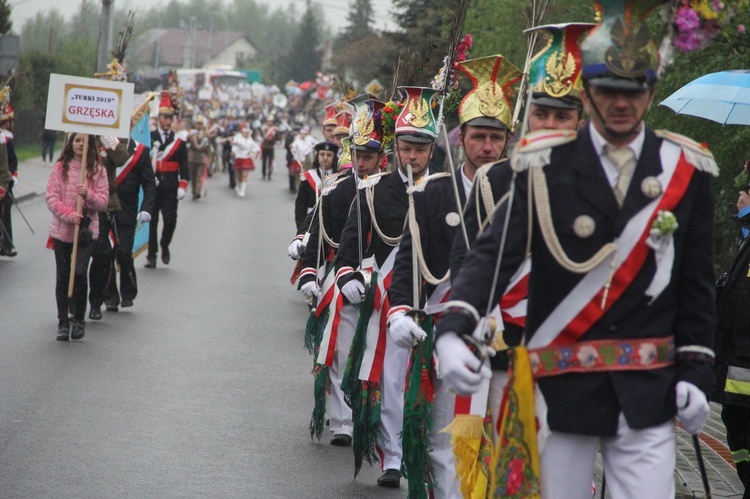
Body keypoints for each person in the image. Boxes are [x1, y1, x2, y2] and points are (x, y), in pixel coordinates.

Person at [435, 3, 718, 497]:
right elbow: (492, 255)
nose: (622, 104)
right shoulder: (542, 167)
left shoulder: (685, 170)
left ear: (651, 90)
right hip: (560, 385)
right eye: (608, 90)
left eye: (634, 91)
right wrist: (454, 328)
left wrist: (697, 368)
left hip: (646, 388)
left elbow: (695, 282)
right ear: (586, 94)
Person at [386, 55, 521, 498]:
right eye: (478, 136)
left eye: (495, 137)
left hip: (507, 337)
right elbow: (410, 260)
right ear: (460, 138)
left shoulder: (524, 191)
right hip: (443, 329)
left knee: (501, 439)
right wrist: (401, 311)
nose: (486, 146)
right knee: (445, 438)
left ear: (507, 141)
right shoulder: (431, 192)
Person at [335, 87, 437, 488]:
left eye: (421, 149)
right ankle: (392, 457)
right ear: (394, 149)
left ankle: (430, 453)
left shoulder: (444, 191)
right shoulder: (373, 191)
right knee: (391, 382)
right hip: (387, 302)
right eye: (407, 148)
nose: (413, 157)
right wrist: (346, 279)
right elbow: (347, 249)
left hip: (436, 301)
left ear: (431, 150)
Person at [298, 97, 385, 449]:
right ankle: (342, 420)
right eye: (358, 155)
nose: (362, 163)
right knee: (337, 349)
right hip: (341, 275)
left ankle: (376, 419)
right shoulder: (336, 188)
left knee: (376, 354)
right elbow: (319, 233)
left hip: (384, 280)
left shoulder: (397, 191)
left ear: (382, 157)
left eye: (369, 157)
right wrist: (308, 272)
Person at [46, 133, 109, 341]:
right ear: (71, 143)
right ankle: (63, 321)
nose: (81, 144)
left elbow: (103, 202)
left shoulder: (98, 171)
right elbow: (52, 198)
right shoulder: (59, 168)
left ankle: (79, 320)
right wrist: (70, 215)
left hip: (85, 234)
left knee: (80, 274)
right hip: (63, 232)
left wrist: (88, 195)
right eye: (77, 140)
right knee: (63, 276)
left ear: (91, 144)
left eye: (85, 141)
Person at [714, 169, 750, 496]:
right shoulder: (746, 242)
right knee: (735, 428)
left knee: (742, 429)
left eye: (745, 196)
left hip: (745, 365)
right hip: (736, 365)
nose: (739, 201)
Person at [87, 135, 130, 319]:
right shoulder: (80, 135)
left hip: (104, 204)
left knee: (102, 254)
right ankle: (73, 303)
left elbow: (121, 158)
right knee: (76, 256)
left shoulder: (111, 135)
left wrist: (107, 138)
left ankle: (96, 300)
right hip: (77, 201)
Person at [146, 91, 189, 268]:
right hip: (153, 186)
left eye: (170, 118)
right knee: (152, 221)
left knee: (170, 221)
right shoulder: (150, 136)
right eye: (165, 117)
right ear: (159, 117)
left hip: (171, 186)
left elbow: (184, 166)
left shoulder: (178, 140)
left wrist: (183, 185)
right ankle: (152, 255)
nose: (168, 121)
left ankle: (164, 244)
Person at [294, 141, 338, 232]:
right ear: (317, 156)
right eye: (322, 154)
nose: (325, 158)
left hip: (332, 226)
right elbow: (300, 207)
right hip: (310, 225)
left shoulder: (340, 178)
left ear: (334, 158)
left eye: (329, 155)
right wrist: (301, 230)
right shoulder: (308, 177)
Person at [0, 93, 17, 257]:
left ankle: (6, 243)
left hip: (3, 184)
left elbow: (10, 163)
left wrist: (7, 182)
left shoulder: (5, 140)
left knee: (4, 213)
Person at [230, 123, 260, 197]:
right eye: (244, 132)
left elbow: (257, 148)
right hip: (239, 157)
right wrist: (234, 151)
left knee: (244, 174)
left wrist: (251, 151)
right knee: (238, 174)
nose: (246, 134)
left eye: (247, 132)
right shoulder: (239, 139)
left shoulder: (250, 140)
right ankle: (239, 185)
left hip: (246, 158)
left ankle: (242, 190)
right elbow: (235, 145)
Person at [187, 116, 212, 200]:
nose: (199, 126)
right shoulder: (192, 133)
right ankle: (194, 192)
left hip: (201, 158)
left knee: (199, 176)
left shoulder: (205, 134)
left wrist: (209, 157)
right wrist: (189, 135)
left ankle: (198, 191)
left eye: (201, 124)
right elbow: (186, 141)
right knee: (193, 177)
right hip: (192, 157)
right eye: (198, 124)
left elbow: (208, 147)